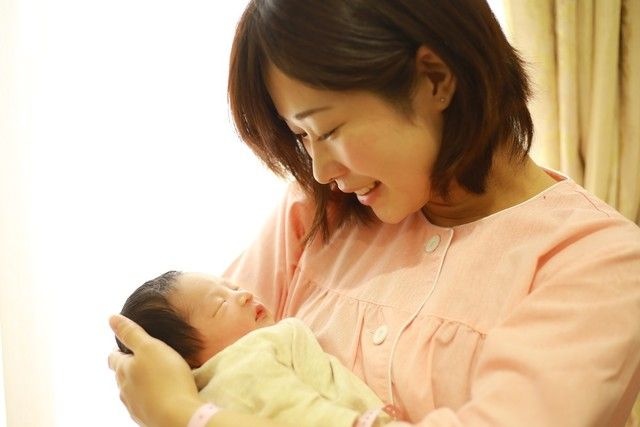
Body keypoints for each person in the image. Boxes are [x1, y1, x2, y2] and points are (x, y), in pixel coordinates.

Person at [108, 1, 640, 426]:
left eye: (329, 130)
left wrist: (188, 418)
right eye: (301, 137)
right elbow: (193, 362)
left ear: (434, 79)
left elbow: (181, 400)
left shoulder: (599, 263)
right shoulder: (313, 213)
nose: (319, 171)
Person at [116, 270, 392, 427]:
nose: (244, 295)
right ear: (183, 360)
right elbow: (293, 411)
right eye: (220, 305)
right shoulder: (243, 363)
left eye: (233, 288)